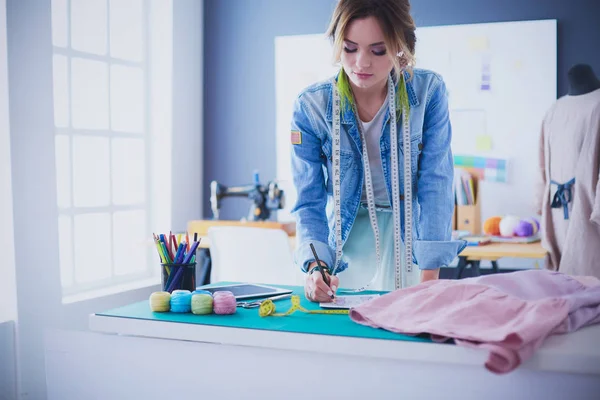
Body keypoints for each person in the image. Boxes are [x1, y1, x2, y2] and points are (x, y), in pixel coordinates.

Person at [290, 0, 465, 303]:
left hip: (409, 235)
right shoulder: (311, 108)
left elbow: (435, 182)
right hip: (347, 238)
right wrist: (315, 267)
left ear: (400, 46)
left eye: (378, 50)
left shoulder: (428, 92)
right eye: (349, 48)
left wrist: (429, 279)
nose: (361, 63)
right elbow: (308, 200)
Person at [536, 63, 600, 278]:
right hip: (557, 207)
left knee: (588, 271)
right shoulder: (555, 109)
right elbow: (542, 161)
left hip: (587, 206)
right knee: (561, 274)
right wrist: (540, 200)